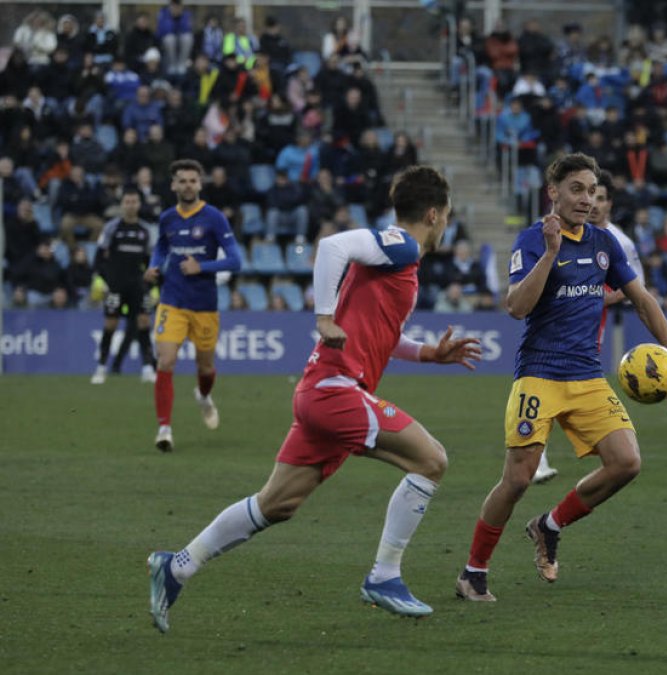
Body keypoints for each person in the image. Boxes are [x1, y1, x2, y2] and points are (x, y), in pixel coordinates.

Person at [147, 167, 481, 633]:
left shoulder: (396, 257)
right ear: (433, 213)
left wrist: (428, 353)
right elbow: (331, 247)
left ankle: (178, 565)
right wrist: (323, 316)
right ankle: (384, 576)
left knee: (276, 504)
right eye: (446, 216)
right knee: (432, 461)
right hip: (336, 390)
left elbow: (382, 332)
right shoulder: (402, 244)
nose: (446, 225)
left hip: (320, 392)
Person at [454, 153, 667, 602]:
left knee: (626, 463)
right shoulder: (532, 240)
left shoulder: (604, 243)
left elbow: (642, 299)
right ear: (554, 192)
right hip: (539, 375)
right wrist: (553, 253)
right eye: (577, 189)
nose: (586, 199)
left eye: (592, 191)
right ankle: (473, 572)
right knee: (518, 478)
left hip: (587, 376)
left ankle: (549, 525)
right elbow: (516, 307)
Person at [533, 169, 644, 485]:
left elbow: (637, 288)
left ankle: (599, 441)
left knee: (568, 385)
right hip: (553, 328)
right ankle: (537, 456)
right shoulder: (552, 230)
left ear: (608, 203)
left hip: (592, 326)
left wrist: (591, 293)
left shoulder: (618, 241)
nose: (593, 203)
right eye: (586, 194)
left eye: (600, 197)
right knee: (550, 380)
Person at [145, 160, 244, 452]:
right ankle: (164, 428)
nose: (187, 185)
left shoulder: (214, 218)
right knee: (165, 362)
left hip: (204, 305)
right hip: (172, 301)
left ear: (200, 184)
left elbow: (235, 261)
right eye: (182, 180)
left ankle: (203, 397)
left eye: (192, 180)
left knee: (206, 368)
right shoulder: (167, 218)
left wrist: (201, 266)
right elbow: (162, 246)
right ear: (174, 185)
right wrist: (154, 265)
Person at [92, 188, 158, 385]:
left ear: (139, 204)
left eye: (134, 201)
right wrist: (100, 280)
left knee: (144, 322)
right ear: (122, 204)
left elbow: (151, 262)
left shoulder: (146, 231)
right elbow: (99, 258)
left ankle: (147, 368)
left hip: (138, 285)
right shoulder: (111, 228)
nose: (130, 205)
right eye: (127, 201)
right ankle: (101, 368)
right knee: (110, 324)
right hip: (115, 285)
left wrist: (153, 287)